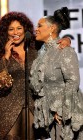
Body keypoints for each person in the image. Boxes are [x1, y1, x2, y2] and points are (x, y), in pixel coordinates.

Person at [0, 11, 71, 140]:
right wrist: (6, 57)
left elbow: (52, 41)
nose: (16, 32)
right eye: (11, 29)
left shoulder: (34, 45)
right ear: (5, 31)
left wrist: (66, 39)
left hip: (32, 104)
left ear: (25, 29)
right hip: (7, 106)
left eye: (19, 28)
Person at [29, 7, 83, 140]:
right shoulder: (42, 53)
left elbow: (73, 82)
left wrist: (60, 109)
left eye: (40, 26)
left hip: (64, 115)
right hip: (49, 116)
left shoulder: (64, 50)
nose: (36, 29)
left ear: (52, 28)